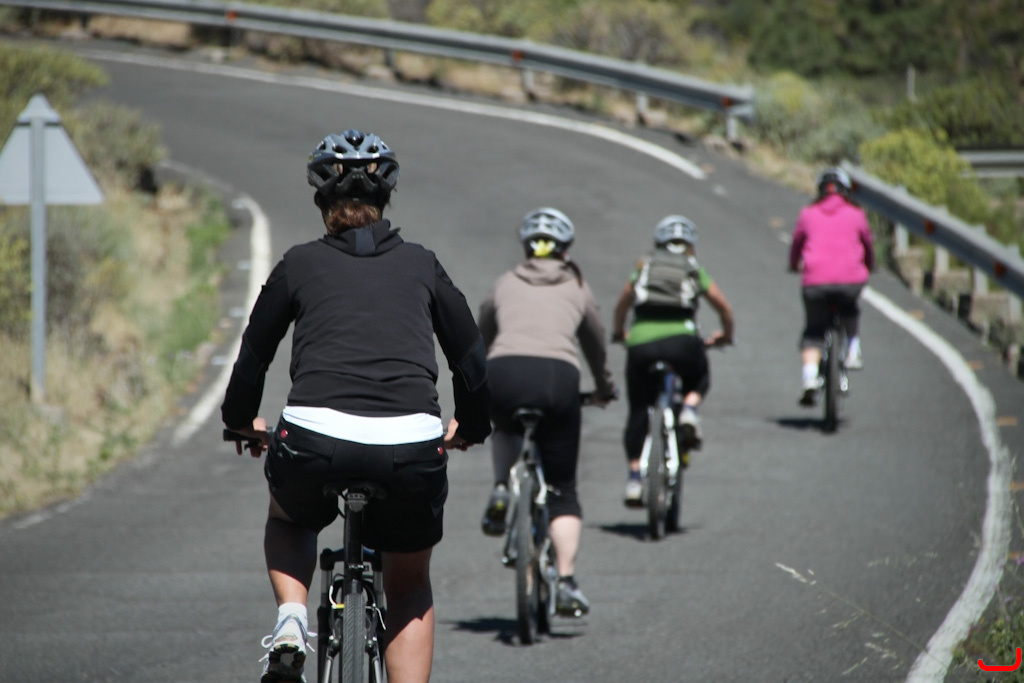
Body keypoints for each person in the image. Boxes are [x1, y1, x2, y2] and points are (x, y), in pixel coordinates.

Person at [220, 129, 491, 683]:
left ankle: (292, 618)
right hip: (410, 444)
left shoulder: (298, 264)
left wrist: (241, 420)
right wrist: (472, 423)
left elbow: (253, 355)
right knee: (408, 582)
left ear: (321, 201)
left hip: (313, 436)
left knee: (290, 520)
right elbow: (470, 355)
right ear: (385, 199)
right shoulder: (422, 264)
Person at [476, 207, 617, 617]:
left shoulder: (505, 282)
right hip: (557, 377)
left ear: (527, 247)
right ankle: (567, 582)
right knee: (563, 490)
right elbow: (595, 343)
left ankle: (501, 485)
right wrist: (604, 388)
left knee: (505, 427)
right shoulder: (577, 286)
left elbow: (480, 335)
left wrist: (476, 383)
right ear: (565, 250)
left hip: (503, 372)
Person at [612, 214, 733, 507]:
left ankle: (633, 480)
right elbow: (722, 306)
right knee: (699, 378)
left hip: (641, 345)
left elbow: (622, 304)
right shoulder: (692, 268)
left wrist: (619, 333)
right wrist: (726, 335)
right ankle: (689, 409)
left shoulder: (644, 267)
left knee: (638, 410)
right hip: (683, 342)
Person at [788, 167, 874, 406]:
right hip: (850, 280)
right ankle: (853, 349)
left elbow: (796, 243)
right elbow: (868, 244)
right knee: (851, 309)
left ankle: (809, 378)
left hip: (815, 281)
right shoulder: (856, 214)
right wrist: (868, 265)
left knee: (814, 331)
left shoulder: (808, 214)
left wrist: (794, 265)